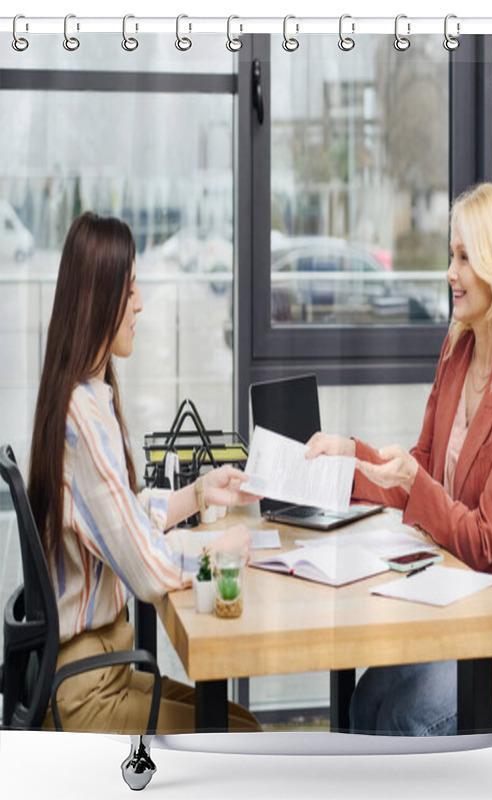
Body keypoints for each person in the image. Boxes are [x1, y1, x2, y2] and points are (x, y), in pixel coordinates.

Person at [306, 183, 492, 735]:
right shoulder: (456, 350)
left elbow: (486, 537)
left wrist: (414, 480)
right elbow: (417, 466)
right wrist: (350, 456)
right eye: (451, 255)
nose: (450, 272)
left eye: (464, 257)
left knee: (401, 718)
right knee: (363, 703)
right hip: (445, 600)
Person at [28, 211, 261, 735]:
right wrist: (223, 549)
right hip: (88, 691)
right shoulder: (82, 422)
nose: (139, 305)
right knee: (241, 736)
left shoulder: (80, 398)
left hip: (99, 668)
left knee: (240, 721)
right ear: (100, 298)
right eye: (129, 290)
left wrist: (198, 493)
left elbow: (121, 517)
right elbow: (150, 572)